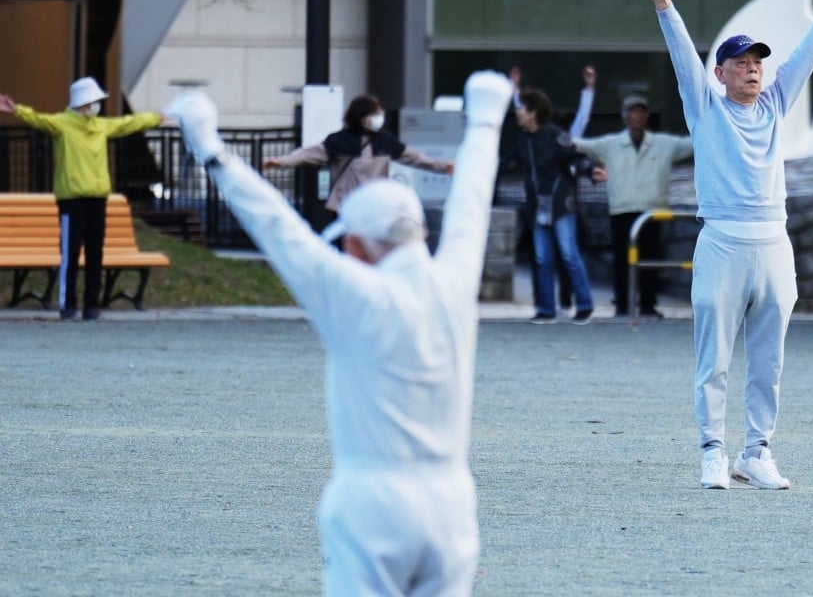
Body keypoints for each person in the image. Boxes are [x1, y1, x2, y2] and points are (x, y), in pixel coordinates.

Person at [165, 71, 514, 596]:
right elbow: (470, 204)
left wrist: (212, 149)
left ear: (356, 244)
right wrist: (487, 119)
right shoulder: (455, 281)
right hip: (452, 503)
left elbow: (276, 225)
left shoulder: (353, 294)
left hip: (372, 499)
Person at [639, 0, 813, 490]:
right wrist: (662, 0)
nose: (752, 68)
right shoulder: (705, 107)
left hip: (773, 242)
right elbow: (680, 58)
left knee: (769, 360)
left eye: (757, 60)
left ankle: (756, 451)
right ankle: (713, 452)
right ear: (720, 73)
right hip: (721, 239)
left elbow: (807, 54)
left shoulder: (775, 104)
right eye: (740, 62)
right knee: (713, 356)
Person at [0, 77, 166, 321]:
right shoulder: (63, 124)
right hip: (72, 200)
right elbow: (39, 119)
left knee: (95, 253)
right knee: (70, 253)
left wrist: (154, 118)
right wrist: (17, 110)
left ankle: (91, 304)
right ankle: (68, 304)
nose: (98, 106)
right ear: (84, 103)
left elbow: (127, 123)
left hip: (97, 198)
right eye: (95, 101)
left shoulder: (100, 126)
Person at [571, 73, 694, 318]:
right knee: (622, 260)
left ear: (646, 116)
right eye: (632, 111)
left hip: (652, 210)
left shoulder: (664, 143)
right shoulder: (610, 144)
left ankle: (648, 304)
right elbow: (576, 145)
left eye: (641, 112)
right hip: (622, 209)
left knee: (650, 259)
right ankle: (623, 304)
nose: (637, 116)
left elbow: (694, 143)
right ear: (625, 116)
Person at [264, 93, 454, 218]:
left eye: (380, 112)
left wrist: (444, 167)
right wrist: (281, 162)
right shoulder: (340, 141)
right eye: (375, 113)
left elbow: (414, 158)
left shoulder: (385, 141)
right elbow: (309, 154)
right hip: (346, 208)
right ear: (361, 116)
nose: (380, 116)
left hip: (375, 206)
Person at [502, 65, 596, 313]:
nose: (518, 113)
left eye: (522, 109)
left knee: (569, 255)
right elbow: (507, 162)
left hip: (560, 203)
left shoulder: (554, 136)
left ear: (533, 113)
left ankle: (584, 304)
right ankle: (545, 307)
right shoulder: (523, 139)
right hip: (536, 206)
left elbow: (573, 157)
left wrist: (590, 170)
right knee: (542, 258)